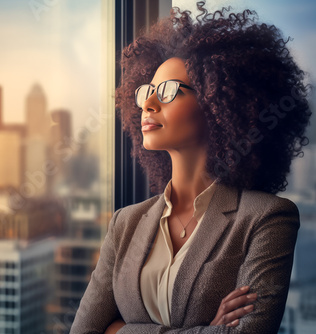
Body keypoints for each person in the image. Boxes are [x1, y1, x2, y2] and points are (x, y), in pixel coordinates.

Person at [70, 2, 311, 333]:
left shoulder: (267, 218)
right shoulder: (125, 224)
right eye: (147, 92)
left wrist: (121, 330)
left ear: (218, 102)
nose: (149, 104)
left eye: (168, 91)